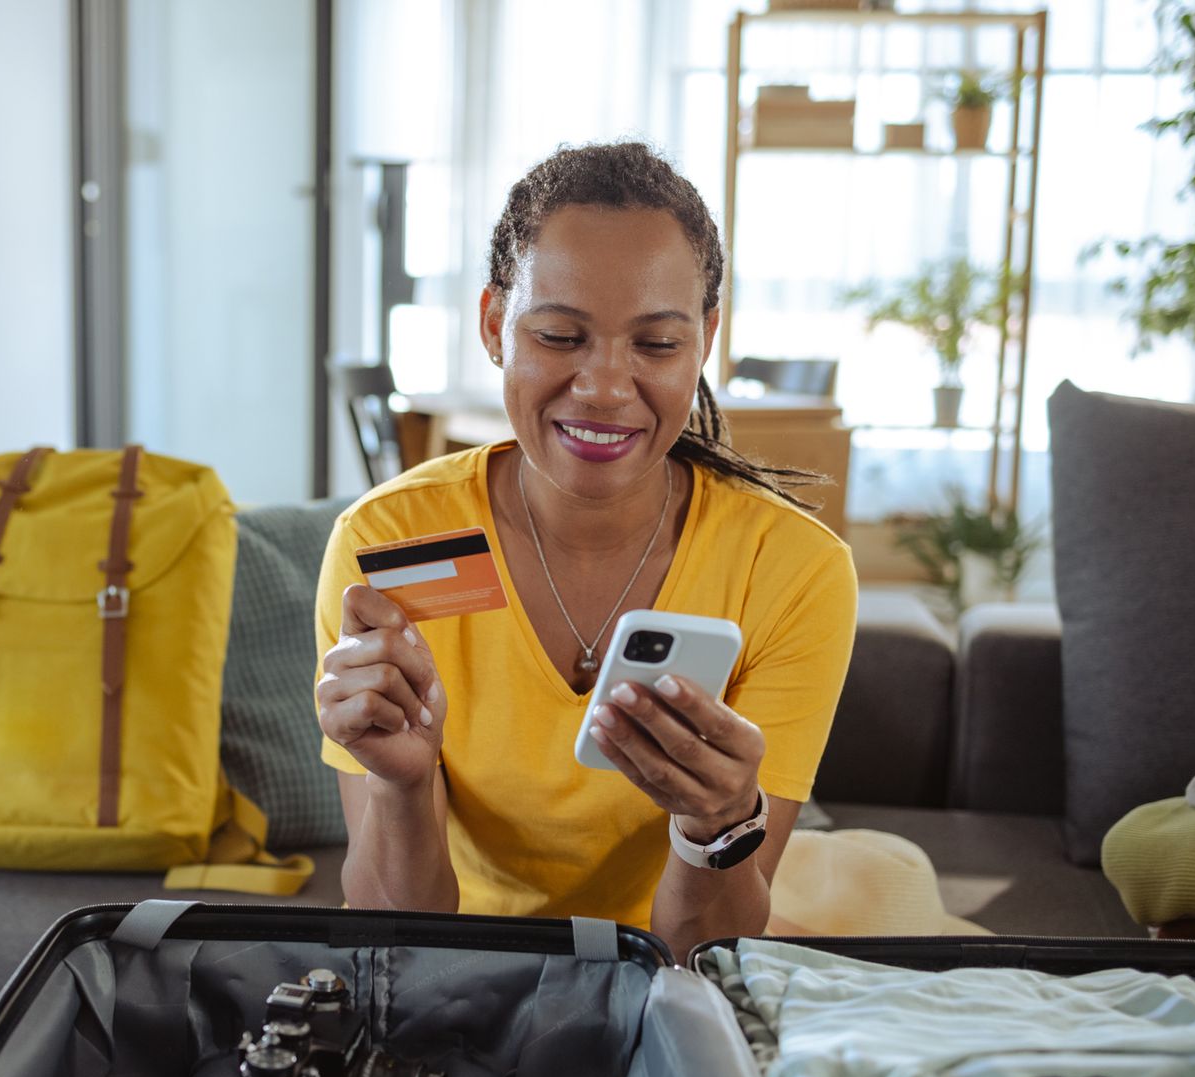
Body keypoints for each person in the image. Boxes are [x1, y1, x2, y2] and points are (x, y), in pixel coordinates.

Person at [313, 141, 857, 954]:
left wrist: (719, 821)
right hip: (465, 971)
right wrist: (399, 782)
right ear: (496, 325)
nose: (605, 386)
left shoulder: (793, 570)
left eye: (656, 345)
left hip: (667, 989)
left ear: (705, 339)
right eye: (561, 336)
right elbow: (400, 931)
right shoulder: (387, 541)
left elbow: (695, 950)